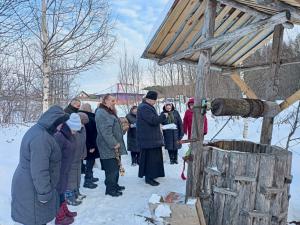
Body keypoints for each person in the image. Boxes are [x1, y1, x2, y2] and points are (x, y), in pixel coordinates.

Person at [11, 105, 69, 225]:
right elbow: (40, 170)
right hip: (33, 188)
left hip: (31, 184)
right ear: (54, 121)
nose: (62, 126)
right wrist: (44, 194)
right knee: (36, 220)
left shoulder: (40, 131)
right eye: (61, 123)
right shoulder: (41, 138)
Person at [95, 94, 127, 197]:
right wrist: (114, 143)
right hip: (108, 146)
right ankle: (110, 189)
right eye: (112, 100)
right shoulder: (102, 113)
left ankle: (115, 185)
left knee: (116, 166)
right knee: (111, 169)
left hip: (115, 146)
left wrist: (123, 129)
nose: (114, 102)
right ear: (105, 101)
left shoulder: (108, 111)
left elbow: (113, 127)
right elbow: (105, 132)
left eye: (114, 100)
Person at [55, 113, 82, 224]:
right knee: (59, 192)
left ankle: (65, 210)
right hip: (59, 169)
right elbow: (55, 155)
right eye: (74, 130)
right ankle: (59, 217)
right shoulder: (59, 136)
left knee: (62, 190)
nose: (75, 132)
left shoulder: (69, 135)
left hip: (65, 168)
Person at [137, 91, 167, 186]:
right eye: (154, 100)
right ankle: (149, 178)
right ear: (149, 99)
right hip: (149, 139)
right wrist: (163, 116)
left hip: (150, 138)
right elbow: (153, 120)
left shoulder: (145, 106)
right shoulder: (144, 107)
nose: (155, 102)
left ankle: (153, 174)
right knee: (150, 160)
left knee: (153, 159)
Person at [65, 112, 89, 206]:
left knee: (78, 175)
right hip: (71, 157)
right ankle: (69, 195)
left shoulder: (83, 128)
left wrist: (84, 152)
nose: (83, 124)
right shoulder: (72, 129)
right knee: (71, 177)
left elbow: (83, 142)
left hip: (79, 156)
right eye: (82, 122)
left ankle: (76, 192)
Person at [79, 103, 100, 189]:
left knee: (90, 162)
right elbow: (90, 133)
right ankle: (87, 180)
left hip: (87, 143)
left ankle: (90, 177)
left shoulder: (82, 116)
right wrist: (92, 145)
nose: (91, 109)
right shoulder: (88, 117)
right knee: (90, 162)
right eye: (90, 107)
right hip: (90, 144)